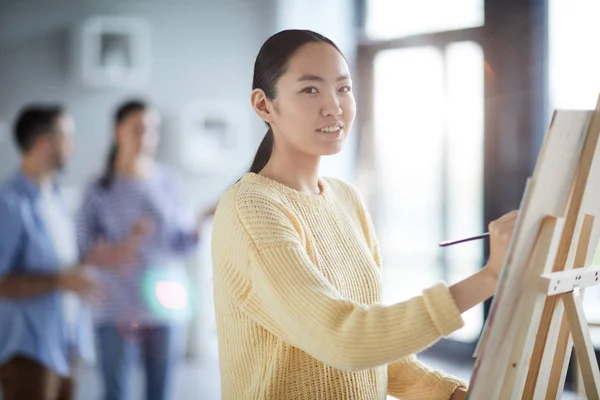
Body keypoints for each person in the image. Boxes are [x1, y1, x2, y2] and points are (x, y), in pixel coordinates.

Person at [210, 29, 519, 400]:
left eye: (343, 88)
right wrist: (490, 277)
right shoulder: (251, 208)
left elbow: (376, 350)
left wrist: (450, 394)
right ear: (263, 105)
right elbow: (346, 339)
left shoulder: (346, 200)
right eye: (311, 89)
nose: (334, 107)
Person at [76, 100, 214, 400]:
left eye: (153, 130)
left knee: (162, 391)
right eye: (138, 129)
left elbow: (180, 245)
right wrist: (126, 245)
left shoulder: (169, 181)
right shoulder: (99, 188)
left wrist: (202, 221)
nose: (146, 138)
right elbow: (84, 252)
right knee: (117, 391)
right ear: (118, 131)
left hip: (165, 305)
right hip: (116, 307)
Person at [0, 105, 140, 400]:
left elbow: (61, 265)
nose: (74, 146)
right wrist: (59, 282)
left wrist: (91, 260)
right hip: (28, 350)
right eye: (68, 137)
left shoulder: (57, 199)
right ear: (43, 142)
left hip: (65, 343)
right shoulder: (9, 203)